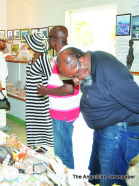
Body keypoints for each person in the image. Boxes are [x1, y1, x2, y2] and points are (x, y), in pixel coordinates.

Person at [57, 47, 139, 186]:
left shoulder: (111, 72)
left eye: (75, 75)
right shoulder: (92, 62)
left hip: (120, 132)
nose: (75, 80)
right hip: (106, 129)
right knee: (96, 173)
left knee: (110, 179)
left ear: (82, 60)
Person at [37, 26, 80, 169]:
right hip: (68, 110)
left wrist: (46, 91)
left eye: (48, 37)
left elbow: (69, 88)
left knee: (62, 154)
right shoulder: (71, 52)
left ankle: (66, 180)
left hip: (63, 113)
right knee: (66, 148)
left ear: (54, 39)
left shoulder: (64, 56)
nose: (48, 40)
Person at [23, 32, 52, 153]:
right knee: (32, 118)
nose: (28, 46)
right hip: (31, 95)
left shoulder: (44, 58)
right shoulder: (34, 56)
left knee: (42, 119)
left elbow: (49, 76)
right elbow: (31, 73)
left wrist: (45, 91)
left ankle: (45, 145)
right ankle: (33, 143)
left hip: (40, 96)